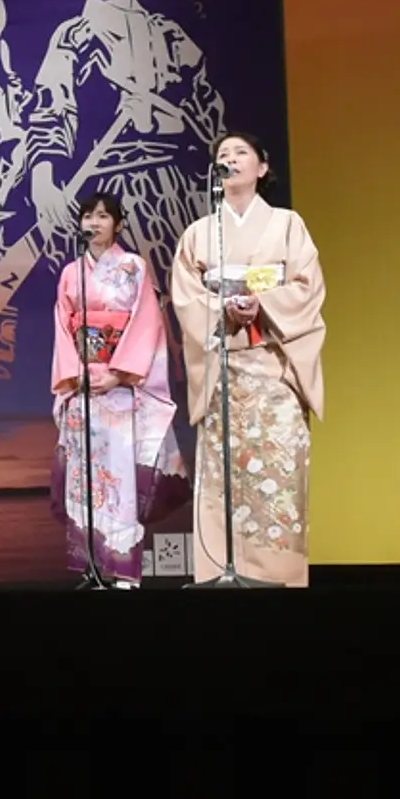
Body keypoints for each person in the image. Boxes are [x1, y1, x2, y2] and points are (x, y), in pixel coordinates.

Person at [170, 132, 326, 587]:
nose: (231, 159)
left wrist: (264, 304)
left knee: (277, 471)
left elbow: (307, 287)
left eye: (242, 153)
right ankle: (222, 570)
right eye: (223, 154)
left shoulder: (288, 224)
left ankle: (278, 574)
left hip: (273, 367)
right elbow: (186, 297)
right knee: (222, 477)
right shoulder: (199, 234)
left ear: (262, 167)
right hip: (222, 369)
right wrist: (222, 308)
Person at [49, 192, 188, 586]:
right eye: (87, 216)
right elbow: (63, 327)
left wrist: (119, 373)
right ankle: (92, 567)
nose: (94, 223)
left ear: (119, 224)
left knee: (119, 482)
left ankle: (123, 570)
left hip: (119, 387)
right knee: (84, 480)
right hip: (83, 387)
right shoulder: (71, 272)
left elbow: (147, 323)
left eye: (103, 216)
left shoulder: (134, 267)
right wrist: (75, 374)